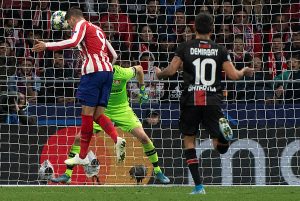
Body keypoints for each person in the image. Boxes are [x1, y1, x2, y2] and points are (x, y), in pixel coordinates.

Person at [155, 13, 254, 194]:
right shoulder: (220, 49)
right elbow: (234, 75)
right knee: (220, 148)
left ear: (194, 28)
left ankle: (199, 186)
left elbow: (170, 71)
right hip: (212, 100)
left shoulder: (185, 47)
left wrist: (158, 73)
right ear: (212, 29)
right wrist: (244, 71)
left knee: (189, 141)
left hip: (190, 100)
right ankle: (224, 137)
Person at [33, 7, 126, 166]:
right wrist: (104, 68)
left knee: (87, 115)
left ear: (71, 19)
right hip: (107, 73)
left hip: (92, 73)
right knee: (98, 115)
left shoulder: (80, 24)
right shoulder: (98, 29)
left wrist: (47, 45)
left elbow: (73, 42)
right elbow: (115, 55)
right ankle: (117, 139)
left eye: (69, 24)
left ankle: (82, 155)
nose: (70, 27)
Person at [50, 64, 170, 184]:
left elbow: (139, 69)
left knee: (144, 138)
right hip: (102, 111)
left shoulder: (122, 72)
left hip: (122, 110)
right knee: (78, 138)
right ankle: (67, 175)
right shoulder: (95, 75)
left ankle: (158, 171)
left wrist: (142, 89)